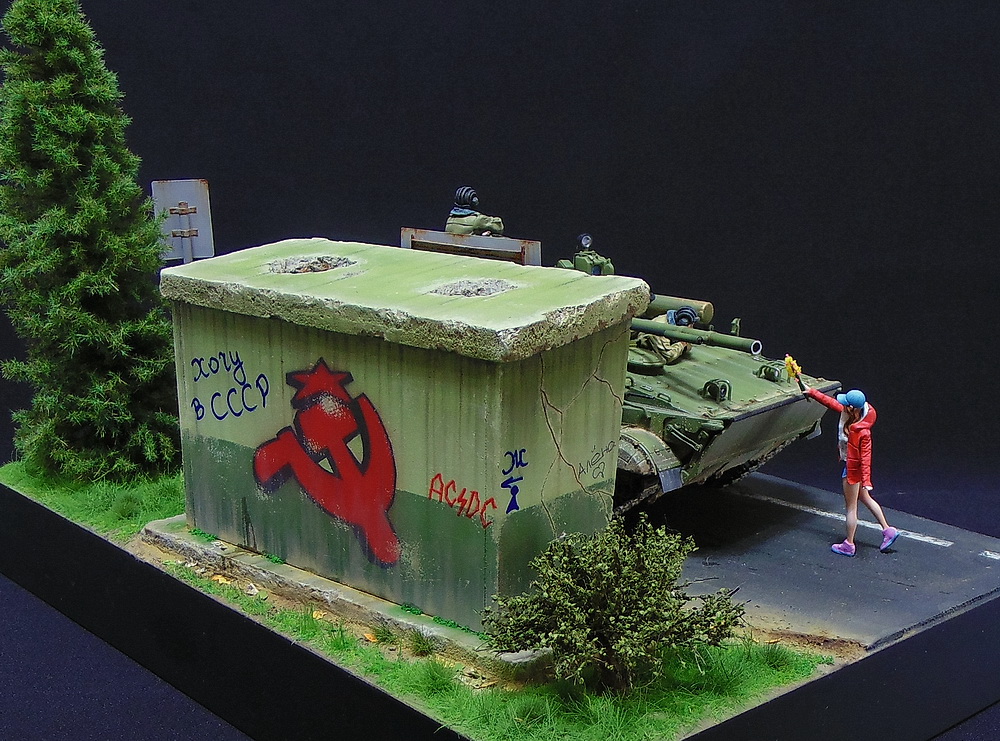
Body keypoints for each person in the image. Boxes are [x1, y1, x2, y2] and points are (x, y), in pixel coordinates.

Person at [800, 380, 899, 557]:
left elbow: (866, 458)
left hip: (853, 471)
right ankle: (888, 530)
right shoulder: (852, 415)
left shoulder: (863, 432)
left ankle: (849, 544)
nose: (842, 405)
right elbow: (832, 403)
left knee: (851, 508)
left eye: (846, 404)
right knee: (866, 498)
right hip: (854, 469)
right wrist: (812, 392)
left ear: (852, 408)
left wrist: (866, 480)